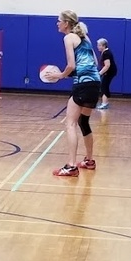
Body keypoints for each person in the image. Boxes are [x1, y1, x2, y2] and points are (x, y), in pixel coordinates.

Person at [51, 10, 102, 177]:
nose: (57, 23)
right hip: (95, 84)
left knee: (70, 123)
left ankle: (72, 166)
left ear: (66, 23)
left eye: (59, 21)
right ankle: (89, 160)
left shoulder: (68, 38)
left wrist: (59, 76)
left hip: (83, 84)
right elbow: (94, 62)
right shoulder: (85, 38)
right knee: (84, 122)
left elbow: (71, 65)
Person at [96, 38, 117, 110]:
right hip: (109, 72)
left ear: (103, 46)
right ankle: (105, 103)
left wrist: (99, 73)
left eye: (99, 45)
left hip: (109, 72)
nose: (97, 47)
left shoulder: (106, 53)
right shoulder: (105, 52)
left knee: (103, 86)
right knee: (104, 85)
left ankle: (104, 104)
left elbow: (107, 65)